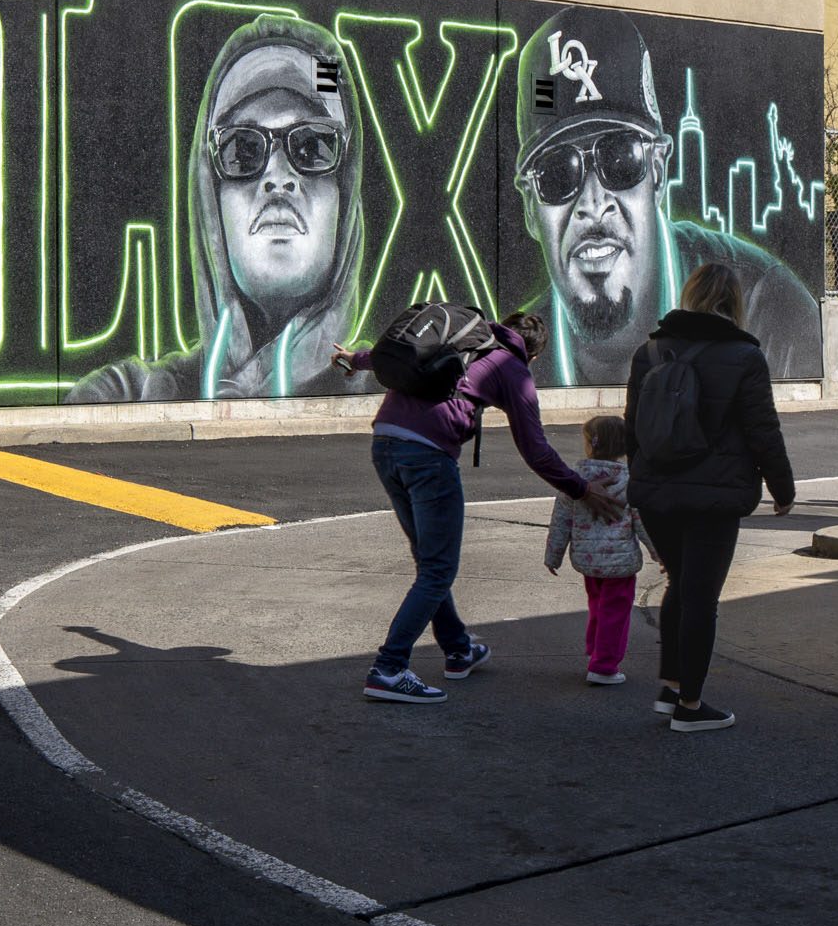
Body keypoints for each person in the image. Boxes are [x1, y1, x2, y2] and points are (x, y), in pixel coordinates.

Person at [68, 15, 373, 402]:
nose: (278, 176)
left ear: (345, 198)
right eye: (243, 150)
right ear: (211, 201)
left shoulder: (401, 392)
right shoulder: (127, 396)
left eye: (313, 147)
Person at [510, 9, 817, 386]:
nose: (592, 204)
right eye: (558, 174)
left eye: (621, 159)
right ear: (529, 208)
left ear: (657, 172)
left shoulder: (768, 310)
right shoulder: (515, 350)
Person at [339, 310, 620, 705]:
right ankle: (389, 667)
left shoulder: (465, 339)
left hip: (385, 443)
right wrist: (581, 489)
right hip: (428, 458)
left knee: (430, 562)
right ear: (534, 356)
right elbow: (536, 450)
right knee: (438, 569)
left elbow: (398, 355)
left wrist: (355, 359)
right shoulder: (513, 369)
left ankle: (459, 650)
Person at [626, 262, 794, 733]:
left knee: (681, 585)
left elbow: (632, 424)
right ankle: (692, 707)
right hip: (713, 495)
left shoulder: (651, 350)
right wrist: (783, 489)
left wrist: (637, 483)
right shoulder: (744, 356)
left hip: (655, 493)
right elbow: (763, 431)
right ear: (735, 301)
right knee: (701, 598)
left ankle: (671, 688)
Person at [545, 414, 647, 686]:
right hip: (621, 563)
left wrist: (553, 556)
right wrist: (661, 553)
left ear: (590, 444)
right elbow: (643, 522)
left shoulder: (575, 481)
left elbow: (560, 521)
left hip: (588, 562)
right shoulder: (628, 480)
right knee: (616, 612)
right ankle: (604, 666)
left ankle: (595, 648)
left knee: (597, 605)